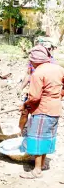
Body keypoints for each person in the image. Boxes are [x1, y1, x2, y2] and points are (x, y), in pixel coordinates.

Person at [19, 45, 64, 179]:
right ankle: (43, 164)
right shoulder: (59, 68)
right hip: (55, 108)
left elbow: (34, 97)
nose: (30, 62)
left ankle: (37, 170)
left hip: (42, 110)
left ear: (35, 60)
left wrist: (25, 105)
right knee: (46, 137)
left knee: (37, 138)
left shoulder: (38, 73)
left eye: (31, 60)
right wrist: (59, 95)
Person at [18, 41, 57, 132]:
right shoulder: (34, 59)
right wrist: (21, 88)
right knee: (24, 112)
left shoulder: (52, 63)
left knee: (38, 115)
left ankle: (36, 131)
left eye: (49, 49)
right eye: (46, 48)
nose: (48, 50)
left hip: (43, 94)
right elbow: (28, 74)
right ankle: (19, 131)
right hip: (32, 90)